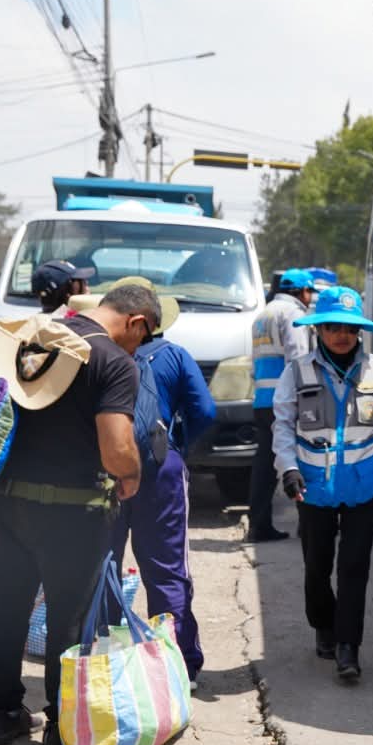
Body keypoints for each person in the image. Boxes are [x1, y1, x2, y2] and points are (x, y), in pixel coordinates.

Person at [0, 282, 161, 745]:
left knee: (7, 601)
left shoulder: (39, 339)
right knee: (68, 616)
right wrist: (132, 475)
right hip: (73, 509)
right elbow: (115, 442)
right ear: (137, 321)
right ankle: (60, 727)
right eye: (144, 336)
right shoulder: (114, 362)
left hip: (12, 499)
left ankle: (1, 714)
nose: (139, 346)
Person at [272, 286, 373, 683]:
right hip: (313, 486)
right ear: (319, 330)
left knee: (354, 567)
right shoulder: (296, 371)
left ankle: (348, 648)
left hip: (365, 486)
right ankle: (324, 625)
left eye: (349, 329)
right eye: (333, 327)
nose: (342, 336)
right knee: (317, 568)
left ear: (359, 334)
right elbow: (283, 425)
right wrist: (288, 469)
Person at [94, 277, 217, 687]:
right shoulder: (175, 356)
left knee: (103, 562)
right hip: (160, 468)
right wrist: (177, 445)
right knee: (166, 569)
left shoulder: (96, 351)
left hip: (103, 467)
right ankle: (178, 666)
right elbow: (205, 411)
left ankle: (107, 659)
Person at [248, 268, 317, 541]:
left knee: (265, 465)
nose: (310, 298)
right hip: (287, 401)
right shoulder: (294, 315)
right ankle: (309, 524)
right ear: (302, 291)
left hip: (263, 401)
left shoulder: (262, 315)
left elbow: (255, 361)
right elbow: (298, 359)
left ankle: (259, 525)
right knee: (303, 459)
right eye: (309, 292)